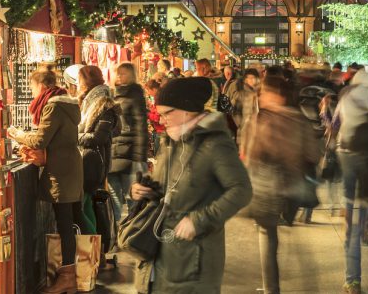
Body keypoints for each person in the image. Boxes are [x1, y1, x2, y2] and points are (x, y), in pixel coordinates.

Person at [130, 77, 252, 294]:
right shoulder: (171, 141)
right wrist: (141, 190)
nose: (161, 118)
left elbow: (241, 190)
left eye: (167, 112)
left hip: (193, 260)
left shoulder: (215, 144)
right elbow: (163, 186)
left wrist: (199, 221)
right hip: (158, 252)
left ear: (187, 110)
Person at [7, 69, 83, 294]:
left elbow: (40, 140)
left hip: (61, 170)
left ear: (40, 86)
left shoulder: (53, 106)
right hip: (69, 166)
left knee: (64, 222)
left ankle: (68, 277)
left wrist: (16, 133)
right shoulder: (68, 104)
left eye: (32, 88)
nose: (31, 93)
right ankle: (70, 274)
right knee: (67, 221)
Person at [246, 74, 321, 294]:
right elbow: (314, 154)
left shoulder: (261, 120)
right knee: (285, 238)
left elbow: (252, 156)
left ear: (277, 96)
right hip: (293, 188)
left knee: (267, 237)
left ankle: (271, 288)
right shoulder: (300, 119)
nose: (260, 97)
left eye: (264, 93)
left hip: (267, 190)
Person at [335, 66, 368, 294]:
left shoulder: (346, 96)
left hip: (347, 157)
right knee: (364, 207)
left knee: (351, 223)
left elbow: (335, 123)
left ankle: (352, 279)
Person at [76, 65, 121, 237]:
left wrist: (75, 136)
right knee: (87, 206)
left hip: (94, 163)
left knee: (84, 207)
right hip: (89, 160)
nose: (78, 84)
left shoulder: (104, 105)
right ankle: (95, 254)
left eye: (80, 80)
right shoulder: (89, 101)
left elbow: (98, 138)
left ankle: (94, 250)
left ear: (86, 81)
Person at [108, 62, 147, 223]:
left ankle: (133, 233)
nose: (120, 76)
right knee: (114, 200)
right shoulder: (112, 95)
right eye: (118, 73)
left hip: (130, 155)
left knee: (133, 198)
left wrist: (139, 157)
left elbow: (140, 126)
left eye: (123, 73)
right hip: (113, 154)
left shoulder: (135, 95)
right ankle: (116, 235)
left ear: (131, 75)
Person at [232, 68, 261, 157]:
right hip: (244, 135)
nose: (253, 80)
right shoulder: (240, 94)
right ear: (245, 80)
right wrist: (242, 125)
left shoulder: (260, 93)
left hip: (259, 135)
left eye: (254, 78)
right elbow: (235, 112)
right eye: (250, 78)